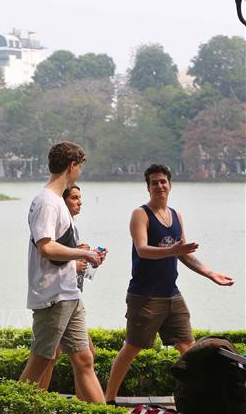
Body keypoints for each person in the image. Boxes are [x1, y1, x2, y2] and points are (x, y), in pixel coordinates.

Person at [104, 164, 234, 405]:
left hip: (172, 294)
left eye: (163, 181)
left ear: (170, 185)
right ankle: (108, 399)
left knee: (190, 349)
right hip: (145, 296)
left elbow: (183, 253)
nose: (160, 186)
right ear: (148, 187)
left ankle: (205, 401)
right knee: (132, 347)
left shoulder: (176, 215)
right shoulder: (140, 214)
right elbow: (142, 250)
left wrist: (210, 273)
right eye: (154, 182)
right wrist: (172, 250)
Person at [19, 142, 107, 404]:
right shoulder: (47, 202)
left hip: (69, 293)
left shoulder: (56, 201)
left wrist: (83, 253)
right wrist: (84, 254)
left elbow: (57, 245)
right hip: (53, 295)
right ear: (72, 166)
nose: (79, 172)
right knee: (42, 359)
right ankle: (14, 406)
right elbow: (45, 246)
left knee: (84, 358)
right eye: (79, 167)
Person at [38, 184, 97, 396]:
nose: (79, 202)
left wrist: (85, 255)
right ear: (63, 202)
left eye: (80, 197)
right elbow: (48, 258)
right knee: (50, 357)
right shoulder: (52, 223)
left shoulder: (71, 226)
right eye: (74, 197)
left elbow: (65, 257)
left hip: (72, 296)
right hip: (57, 298)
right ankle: (35, 402)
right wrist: (76, 261)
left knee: (83, 356)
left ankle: (86, 406)